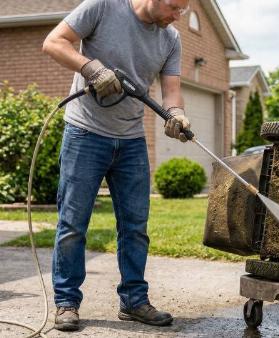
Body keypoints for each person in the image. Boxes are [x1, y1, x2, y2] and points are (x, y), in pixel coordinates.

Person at [42, 0, 191, 331]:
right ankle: (67, 302)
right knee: (73, 224)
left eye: (184, 10)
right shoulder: (103, 6)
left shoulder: (171, 39)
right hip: (85, 133)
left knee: (136, 226)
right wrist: (90, 68)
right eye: (174, 7)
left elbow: (171, 92)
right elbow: (53, 41)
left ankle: (134, 301)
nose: (177, 16)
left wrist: (176, 113)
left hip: (131, 139)